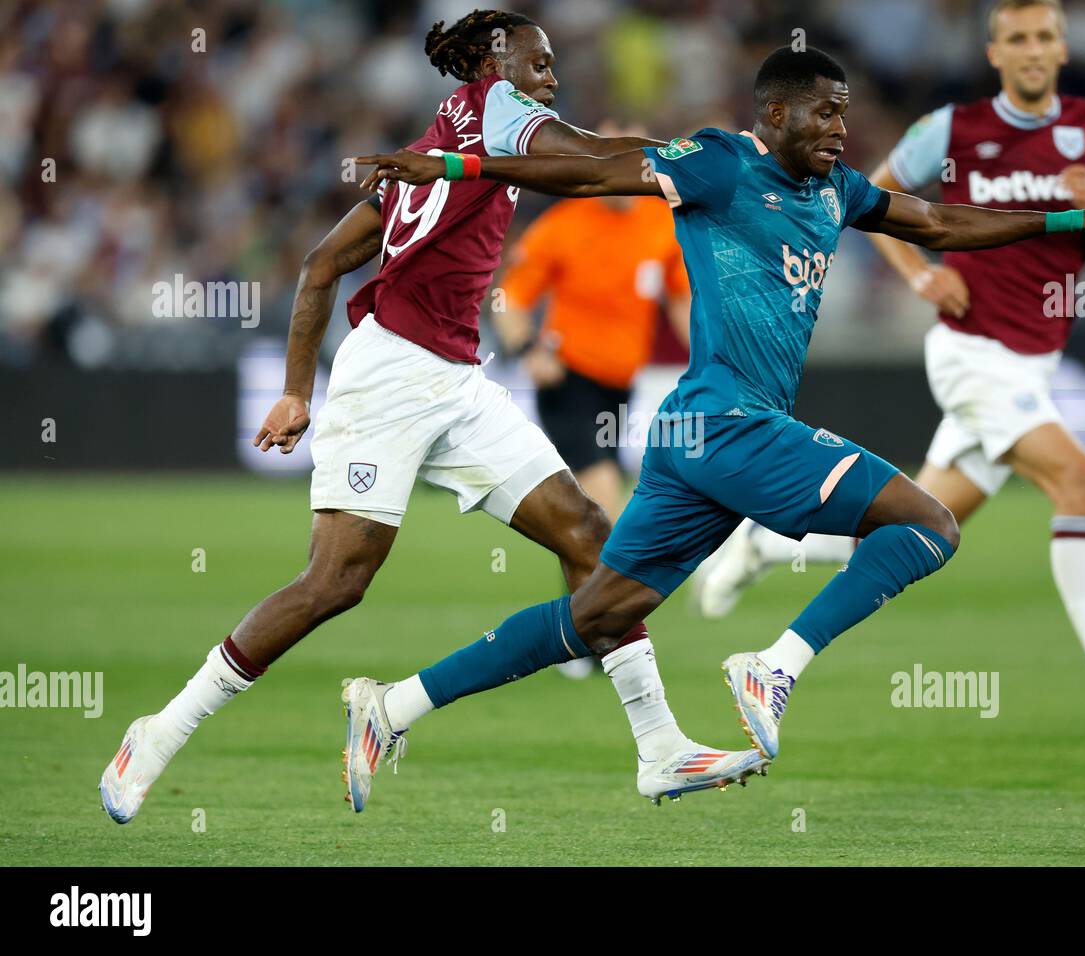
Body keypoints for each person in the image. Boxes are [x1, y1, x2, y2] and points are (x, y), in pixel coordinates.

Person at [347, 43, 1085, 798]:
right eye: (827, 112)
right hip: (728, 421)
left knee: (597, 615)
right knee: (930, 524)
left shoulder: (836, 190)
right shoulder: (721, 163)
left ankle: (393, 706)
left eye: (847, 113)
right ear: (775, 115)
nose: (843, 129)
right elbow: (598, 174)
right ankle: (775, 666)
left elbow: (940, 223)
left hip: (689, 437)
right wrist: (458, 164)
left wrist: (1070, 222)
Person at [99, 9, 761, 826]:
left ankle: (658, 746)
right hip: (390, 376)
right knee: (336, 582)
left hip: (455, 376)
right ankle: (158, 733)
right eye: (540, 60)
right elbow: (590, 167)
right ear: (494, 60)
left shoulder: (439, 141)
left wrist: (298, 387)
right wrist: (699, 161)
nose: (552, 74)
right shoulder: (496, 110)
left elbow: (323, 264)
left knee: (589, 534)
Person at [692, 0, 1085, 727]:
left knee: (917, 525)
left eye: (1043, 37)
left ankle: (764, 543)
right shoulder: (953, 130)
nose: (1031, 50)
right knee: (1080, 477)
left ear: (1060, 46)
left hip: (1035, 361)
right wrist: (919, 274)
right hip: (972, 350)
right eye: (1015, 38)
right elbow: (870, 200)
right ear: (994, 52)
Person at [494, 126, 690, 678]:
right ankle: (598, 632)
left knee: (594, 516)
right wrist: (526, 346)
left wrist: (715, 359)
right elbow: (510, 296)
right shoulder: (563, 226)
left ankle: (579, 628)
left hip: (618, 386)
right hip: (567, 380)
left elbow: (681, 298)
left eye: (638, 159)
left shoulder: (660, 225)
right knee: (607, 506)